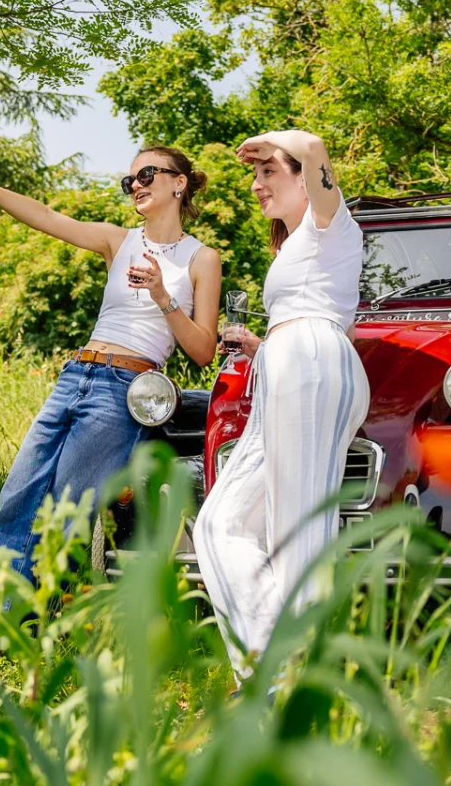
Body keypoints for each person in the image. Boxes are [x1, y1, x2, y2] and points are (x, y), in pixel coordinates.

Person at [0, 148, 223, 664]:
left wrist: (161, 296)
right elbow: (45, 217)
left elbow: (202, 350)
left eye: (147, 174)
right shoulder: (118, 240)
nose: (136, 184)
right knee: (17, 497)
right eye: (130, 177)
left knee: (61, 514)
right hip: (75, 377)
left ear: (179, 184)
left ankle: (11, 630)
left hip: (125, 391)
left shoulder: (201, 259)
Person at [192, 128, 368, 677]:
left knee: (298, 535)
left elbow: (314, 145)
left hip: (310, 362)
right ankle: (279, 670)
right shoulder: (296, 244)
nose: (256, 185)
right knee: (219, 525)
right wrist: (260, 346)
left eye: (269, 172)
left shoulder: (332, 224)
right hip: (288, 365)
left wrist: (268, 140)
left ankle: (295, 691)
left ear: (301, 178)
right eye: (256, 174)